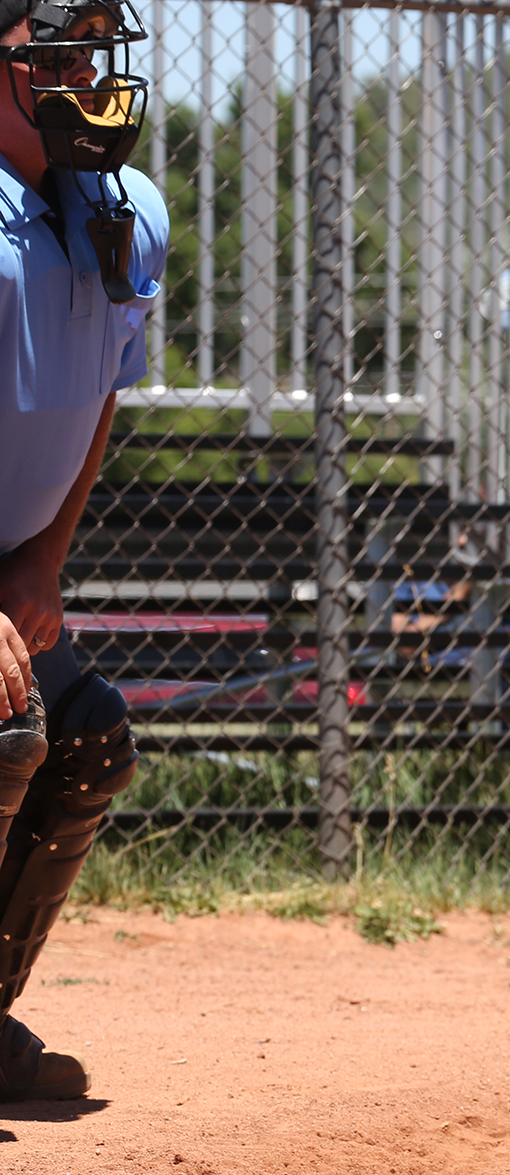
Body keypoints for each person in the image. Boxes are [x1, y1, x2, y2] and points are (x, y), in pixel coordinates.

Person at [0, 0, 167, 1100]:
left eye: (96, 46)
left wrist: (41, 563)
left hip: (11, 563)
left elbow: (103, 387)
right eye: (53, 46)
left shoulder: (126, 206)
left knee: (86, 739)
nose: (83, 71)